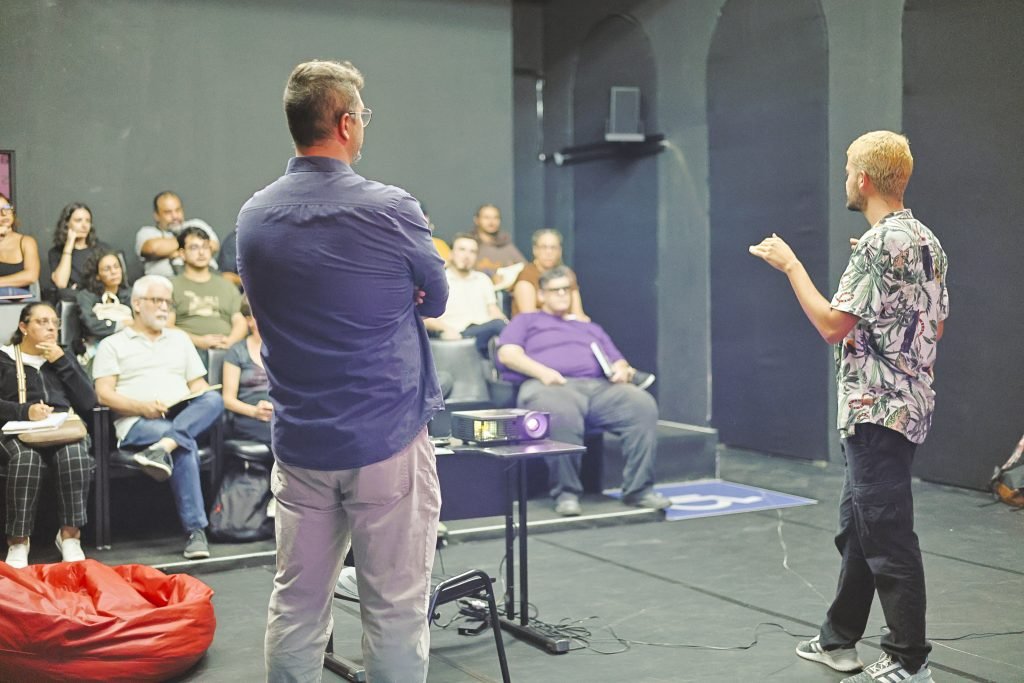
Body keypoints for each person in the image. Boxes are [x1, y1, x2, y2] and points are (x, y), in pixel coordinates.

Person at [237, 59, 447, 683]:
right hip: (385, 438)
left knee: (297, 605)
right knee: (396, 608)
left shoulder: (252, 217)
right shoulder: (392, 209)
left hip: (300, 442)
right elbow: (434, 300)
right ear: (347, 123)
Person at [749, 130, 946, 683]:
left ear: (862, 179)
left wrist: (791, 265)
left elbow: (834, 325)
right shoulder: (927, 240)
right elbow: (934, 322)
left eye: (846, 172)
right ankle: (838, 641)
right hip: (905, 406)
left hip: (877, 411)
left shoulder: (882, 244)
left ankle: (910, 660)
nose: (845, 181)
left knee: (885, 534)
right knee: (858, 526)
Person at [496, 265, 668, 517]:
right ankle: (566, 493)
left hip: (598, 387)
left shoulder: (589, 327)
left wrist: (622, 371)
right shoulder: (527, 320)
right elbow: (507, 354)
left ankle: (638, 490)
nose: (562, 294)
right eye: (555, 290)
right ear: (541, 295)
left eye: (567, 289)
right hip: (548, 384)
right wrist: (544, 372)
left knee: (641, 404)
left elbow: (617, 360)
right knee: (561, 411)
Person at [92, 274, 224, 560]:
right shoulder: (113, 344)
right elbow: (103, 395)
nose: (164, 308)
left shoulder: (180, 340)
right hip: (137, 422)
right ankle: (195, 531)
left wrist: (196, 398)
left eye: (168, 302)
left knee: (213, 399)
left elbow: (198, 386)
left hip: (179, 413)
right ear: (137, 304)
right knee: (184, 444)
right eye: (157, 301)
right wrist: (142, 407)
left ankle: (162, 448)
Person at [0, 302, 96, 568]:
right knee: (26, 461)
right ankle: (18, 542)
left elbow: (89, 401)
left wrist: (62, 362)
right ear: (23, 327)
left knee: (75, 454)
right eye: (42, 322)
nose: (51, 327)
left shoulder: (63, 357)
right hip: (17, 432)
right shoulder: (4, 358)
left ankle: (70, 537)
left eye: (54, 322)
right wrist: (24, 411)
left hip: (62, 429)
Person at [168, 226, 246, 358]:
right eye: (194, 247)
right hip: (184, 351)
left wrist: (230, 342)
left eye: (205, 247)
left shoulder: (226, 285)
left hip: (226, 352)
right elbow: (167, 326)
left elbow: (240, 321)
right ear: (181, 253)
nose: (201, 253)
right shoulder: (170, 286)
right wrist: (199, 341)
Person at [423, 233, 507, 355]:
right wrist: (446, 329)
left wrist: (509, 326)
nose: (467, 256)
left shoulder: (483, 279)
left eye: (472, 252)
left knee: (507, 327)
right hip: (457, 334)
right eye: (462, 250)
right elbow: (425, 319)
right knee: (498, 326)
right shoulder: (438, 281)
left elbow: (493, 310)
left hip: (485, 332)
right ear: (451, 254)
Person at [135, 191, 220, 277]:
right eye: (168, 212)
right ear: (156, 215)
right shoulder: (147, 232)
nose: (175, 216)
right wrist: (191, 244)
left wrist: (173, 252)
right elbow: (152, 249)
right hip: (165, 285)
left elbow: (213, 245)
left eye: (178, 210)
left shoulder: (197, 224)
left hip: (208, 279)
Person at [221, 298, 271, 444]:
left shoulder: (282, 351)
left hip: (279, 414)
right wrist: (255, 411)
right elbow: (227, 399)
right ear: (249, 320)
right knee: (281, 434)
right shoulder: (237, 351)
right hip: (249, 417)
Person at [511, 228, 587, 319]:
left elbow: (578, 313)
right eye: (544, 247)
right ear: (535, 250)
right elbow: (528, 316)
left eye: (553, 248)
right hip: (536, 329)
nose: (549, 252)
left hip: (568, 328)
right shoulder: (526, 276)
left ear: (560, 251)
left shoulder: (567, 275)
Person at [74, 249, 133, 366]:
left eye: (116, 267)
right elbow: (91, 325)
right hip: (97, 351)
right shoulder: (85, 296)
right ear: (97, 276)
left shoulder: (131, 294)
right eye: (107, 269)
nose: (114, 272)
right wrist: (122, 324)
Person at [48, 202, 112, 302]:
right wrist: (69, 245)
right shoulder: (56, 252)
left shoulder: (102, 249)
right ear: (67, 224)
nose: (84, 225)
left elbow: (110, 280)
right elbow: (61, 283)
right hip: (74, 300)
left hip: (100, 297)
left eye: (88, 221)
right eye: (78, 220)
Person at [0, 192, 40, 299]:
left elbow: (31, 276)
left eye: (6, 208)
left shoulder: (26, 241)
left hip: (20, 303)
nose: (4, 213)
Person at [471, 203, 525, 281]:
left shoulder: (506, 245)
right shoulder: (469, 244)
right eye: (486, 217)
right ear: (476, 220)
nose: (491, 222)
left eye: (496, 218)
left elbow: (524, 268)